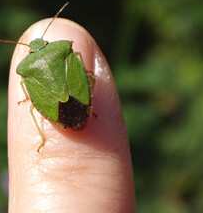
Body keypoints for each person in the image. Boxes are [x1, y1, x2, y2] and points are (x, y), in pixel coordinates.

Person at [8, 18, 135, 212]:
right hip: (82, 102)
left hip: (58, 111)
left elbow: (24, 85)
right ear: (46, 43)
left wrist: (28, 98)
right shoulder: (66, 51)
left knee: (32, 107)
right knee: (91, 76)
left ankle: (42, 138)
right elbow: (80, 58)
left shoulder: (26, 73)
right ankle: (88, 112)